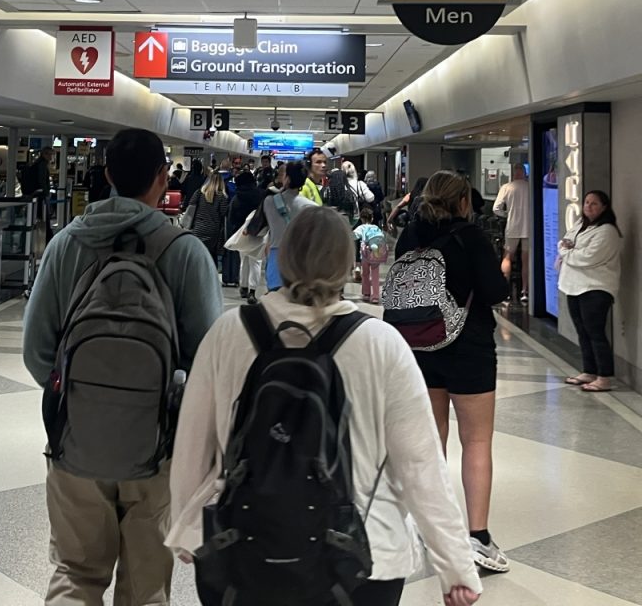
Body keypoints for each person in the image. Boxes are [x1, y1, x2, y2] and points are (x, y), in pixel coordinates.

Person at [168, 207, 482, 606]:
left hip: (239, 549)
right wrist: (456, 566)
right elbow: (420, 465)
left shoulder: (229, 332)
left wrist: (187, 525)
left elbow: (194, 441)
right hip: (362, 557)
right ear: (349, 264)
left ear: (280, 258)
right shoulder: (381, 343)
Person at [23, 128, 223, 606]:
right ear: (162, 177)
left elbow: (37, 351)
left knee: (75, 573)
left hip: (76, 443)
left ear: (107, 174)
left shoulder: (66, 245)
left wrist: (79, 394)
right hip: (156, 449)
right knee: (146, 586)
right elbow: (208, 363)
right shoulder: (185, 252)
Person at [394, 171, 511, 573]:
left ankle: (431, 530)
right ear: (463, 201)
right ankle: (478, 538)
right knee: (476, 442)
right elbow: (496, 292)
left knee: (431, 441)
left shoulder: (410, 236)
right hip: (471, 348)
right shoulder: (470, 237)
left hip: (420, 345)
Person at [559, 190, 623, 393]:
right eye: (586, 202)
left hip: (595, 288)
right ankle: (589, 370)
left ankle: (604, 376)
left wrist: (568, 251)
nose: (588, 207)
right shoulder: (580, 225)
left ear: (604, 207)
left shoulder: (607, 231)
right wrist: (568, 249)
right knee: (582, 330)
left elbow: (586, 258)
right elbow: (563, 242)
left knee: (595, 332)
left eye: (594, 204)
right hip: (574, 286)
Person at [245, 160, 317, 293]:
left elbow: (257, 228)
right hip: (301, 259)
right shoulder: (312, 208)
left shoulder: (269, 201)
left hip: (275, 256)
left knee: (276, 299)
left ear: (287, 178)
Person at [227, 170, 267, 303]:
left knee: (243, 261)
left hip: (241, 234)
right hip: (258, 234)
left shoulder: (237, 198)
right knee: (256, 262)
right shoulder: (261, 196)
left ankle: (243, 287)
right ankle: (252, 291)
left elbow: (231, 217)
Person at [493, 165, 530, 303]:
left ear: (514, 174)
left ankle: (505, 291)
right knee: (526, 260)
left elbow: (496, 209)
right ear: (525, 174)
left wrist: (507, 215)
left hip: (512, 227)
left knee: (508, 257)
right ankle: (525, 291)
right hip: (528, 227)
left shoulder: (506, 187)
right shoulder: (530, 187)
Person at [187, 171, 231, 277]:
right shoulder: (222, 197)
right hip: (213, 231)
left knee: (197, 254)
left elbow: (191, 205)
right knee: (211, 255)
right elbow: (224, 213)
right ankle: (210, 277)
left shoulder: (199, 193)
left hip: (198, 228)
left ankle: (195, 275)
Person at [354, 208, 387, 304]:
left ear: (361, 218)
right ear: (372, 218)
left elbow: (354, 236)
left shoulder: (361, 227)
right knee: (375, 275)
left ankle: (366, 294)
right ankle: (375, 296)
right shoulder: (375, 227)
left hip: (365, 255)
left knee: (365, 274)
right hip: (376, 255)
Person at [23, 147, 55, 241]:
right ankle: (47, 238)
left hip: (34, 194)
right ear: (45, 154)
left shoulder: (36, 164)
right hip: (40, 195)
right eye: (50, 154)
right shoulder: (42, 165)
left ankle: (35, 239)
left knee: (35, 216)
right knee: (44, 216)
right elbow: (42, 180)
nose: (51, 157)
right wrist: (46, 192)